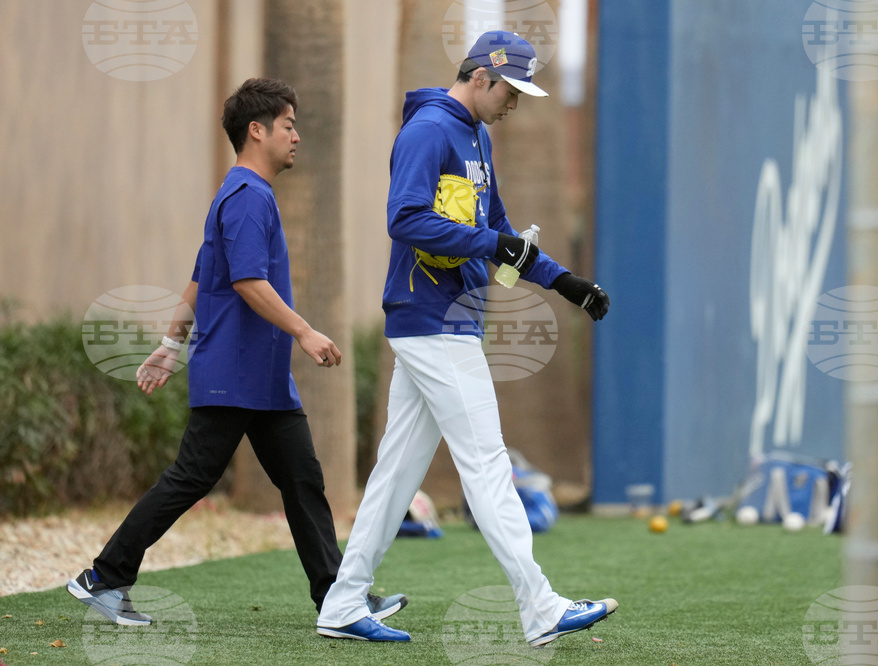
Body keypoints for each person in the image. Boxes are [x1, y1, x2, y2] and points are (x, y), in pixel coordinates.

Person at [66, 78, 405, 626]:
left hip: (264, 381)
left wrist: (169, 345)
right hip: (235, 374)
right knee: (191, 478)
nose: (297, 136)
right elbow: (247, 282)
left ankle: (338, 598)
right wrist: (304, 330)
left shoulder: (238, 194)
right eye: (289, 125)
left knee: (302, 481)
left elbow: (201, 280)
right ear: (258, 130)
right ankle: (102, 578)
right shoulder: (248, 197)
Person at [316, 31, 615, 646]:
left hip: (444, 321)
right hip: (432, 320)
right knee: (487, 464)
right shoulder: (430, 129)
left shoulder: (476, 134)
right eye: (511, 91)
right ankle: (541, 608)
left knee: (396, 476)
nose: (516, 104)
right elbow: (405, 217)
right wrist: (489, 244)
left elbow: (500, 229)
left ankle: (342, 604)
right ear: (481, 76)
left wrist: (564, 282)